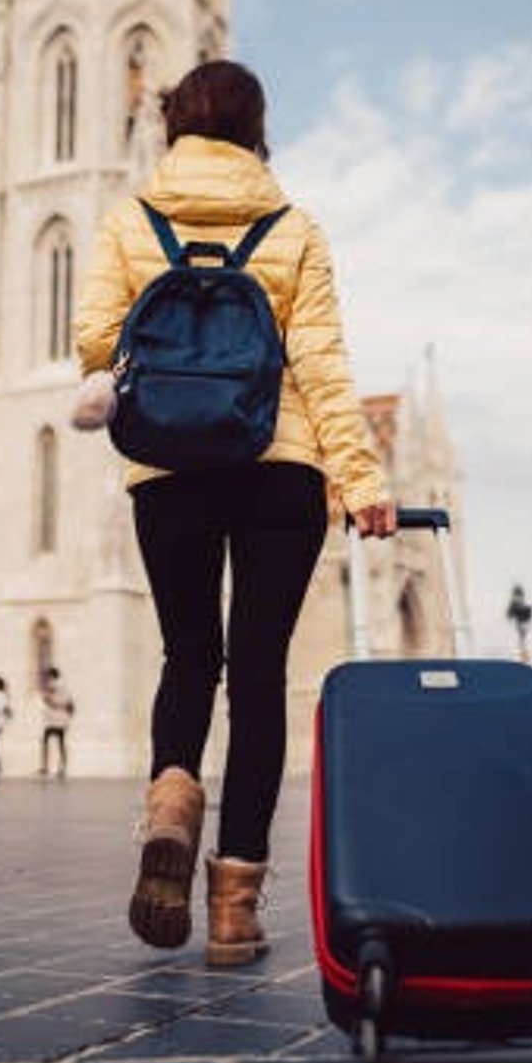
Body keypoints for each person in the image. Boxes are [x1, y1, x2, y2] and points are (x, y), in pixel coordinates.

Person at [73, 60, 393, 968]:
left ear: (173, 125)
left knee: (188, 655)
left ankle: (173, 797)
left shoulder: (130, 218)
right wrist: (361, 482)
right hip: (278, 466)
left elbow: (95, 340)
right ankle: (233, 912)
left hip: (167, 464)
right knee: (257, 678)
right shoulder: (293, 227)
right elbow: (325, 364)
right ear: (259, 130)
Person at [39, 667, 75, 778]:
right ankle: (62, 767)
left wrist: (49, 700)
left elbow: (48, 699)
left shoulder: (53, 685)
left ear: (51, 676)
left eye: (48, 675)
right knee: (61, 742)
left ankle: (45, 767)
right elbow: (69, 702)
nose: (46, 678)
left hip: (55, 718)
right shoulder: (64, 686)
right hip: (62, 718)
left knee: (46, 740)